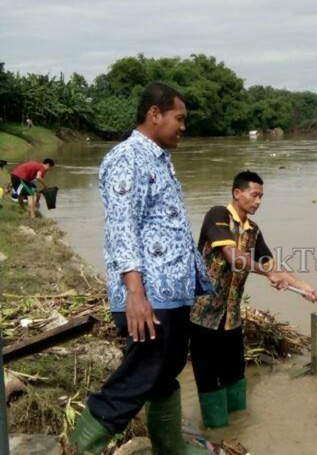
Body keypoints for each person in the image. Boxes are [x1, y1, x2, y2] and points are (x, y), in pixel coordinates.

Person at [70, 82, 214, 455]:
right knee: (139, 376)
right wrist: (135, 294)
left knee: (166, 373)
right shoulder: (127, 157)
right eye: (179, 118)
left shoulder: (158, 159)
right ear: (155, 114)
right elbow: (122, 227)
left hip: (171, 293)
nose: (184, 126)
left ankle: (170, 448)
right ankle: (79, 447)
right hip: (148, 294)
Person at [190, 170, 317, 428]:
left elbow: (270, 263)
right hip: (203, 317)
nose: (259, 201)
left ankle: (239, 432)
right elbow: (233, 257)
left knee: (236, 374)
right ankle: (218, 436)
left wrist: (301, 286)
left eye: (262, 197)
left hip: (232, 319)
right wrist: (268, 272)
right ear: (237, 193)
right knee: (209, 379)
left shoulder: (253, 231)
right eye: (255, 195)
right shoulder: (218, 216)